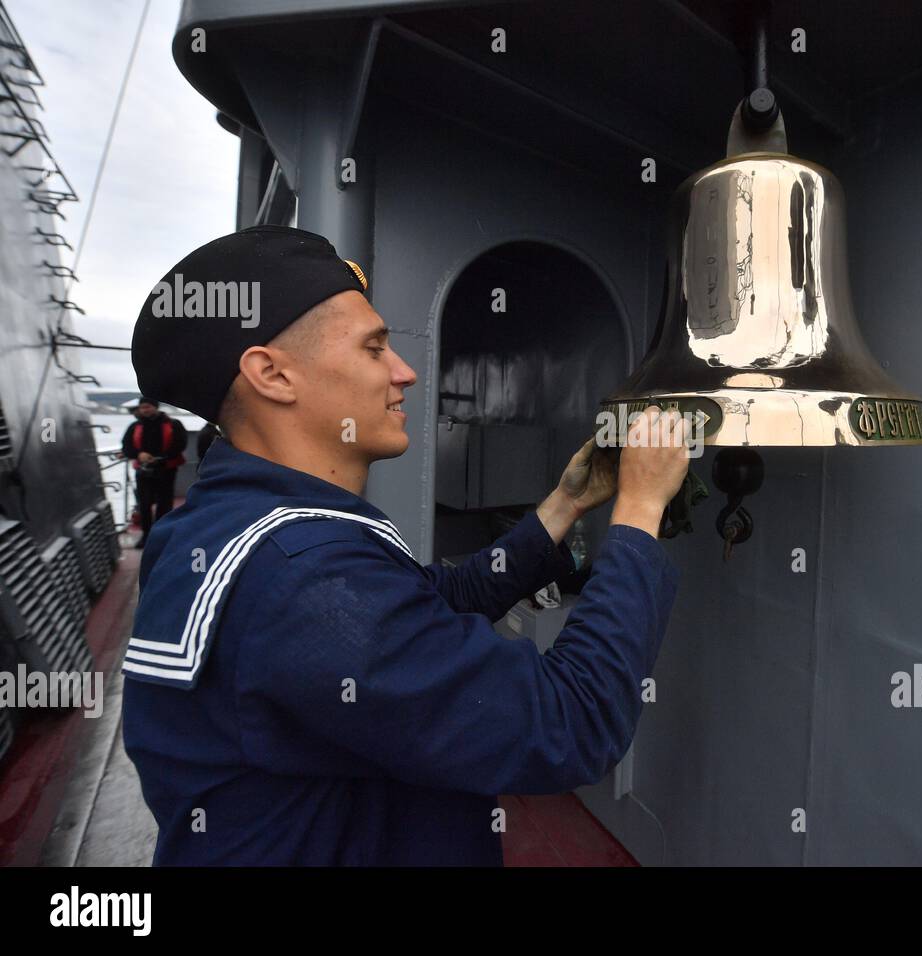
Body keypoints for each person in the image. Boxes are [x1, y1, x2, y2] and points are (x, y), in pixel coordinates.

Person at [121, 224, 689, 865]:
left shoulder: (229, 530)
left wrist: (565, 505)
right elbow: (570, 720)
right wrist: (640, 511)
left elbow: (429, 603)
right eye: (374, 349)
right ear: (273, 375)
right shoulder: (301, 579)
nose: (406, 372)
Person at [119, 397, 188, 548]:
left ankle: (162, 534)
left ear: (155, 407)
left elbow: (180, 444)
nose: (145, 410)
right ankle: (146, 535)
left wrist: (161, 458)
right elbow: (126, 446)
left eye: (148, 407)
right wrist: (139, 455)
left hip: (166, 469)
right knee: (144, 504)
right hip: (144, 471)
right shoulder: (134, 426)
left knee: (164, 503)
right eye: (142, 407)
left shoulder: (174, 424)